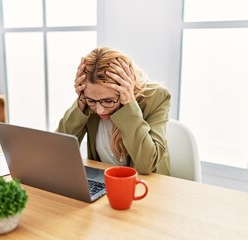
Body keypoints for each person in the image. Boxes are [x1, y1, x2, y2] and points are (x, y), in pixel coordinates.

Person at [56, 47, 171, 175]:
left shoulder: (157, 97)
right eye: (92, 100)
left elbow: (146, 165)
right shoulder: (89, 99)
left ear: (124, 89)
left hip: (149, 187)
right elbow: (58, 151)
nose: (99, 110)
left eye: (108, 101)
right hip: (104, 184)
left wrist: (129, 105)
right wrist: (82, 101)